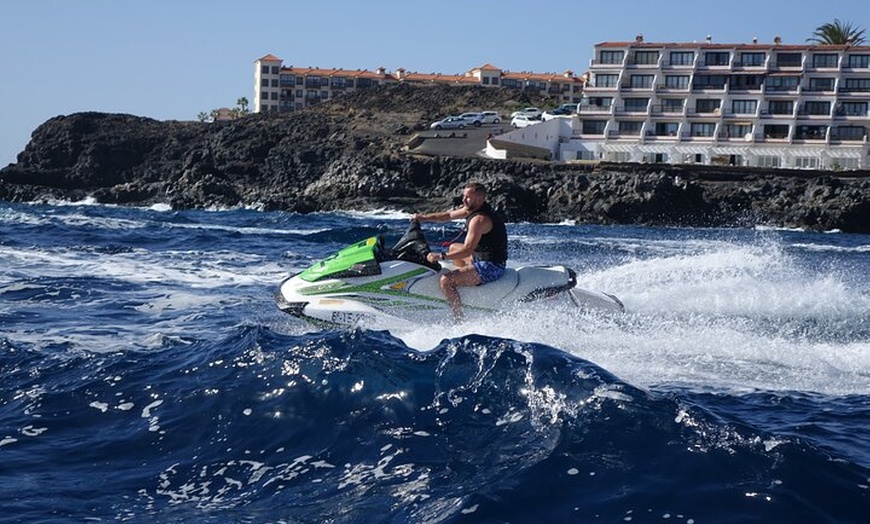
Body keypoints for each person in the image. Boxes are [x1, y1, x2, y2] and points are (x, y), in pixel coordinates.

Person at [412, 182, 508, 321]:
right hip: (479, 257)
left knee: (446, 280)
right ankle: (465, 281)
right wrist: (423, 218)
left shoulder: (479, 220)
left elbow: (467, 249)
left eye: (468, 197)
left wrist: (441, 256)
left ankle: (459, 318)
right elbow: (447, 215)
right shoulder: (470, 209)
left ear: (480, 199)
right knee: (453, 247)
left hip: (491, 266)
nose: (464, 200)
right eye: (464, 196)